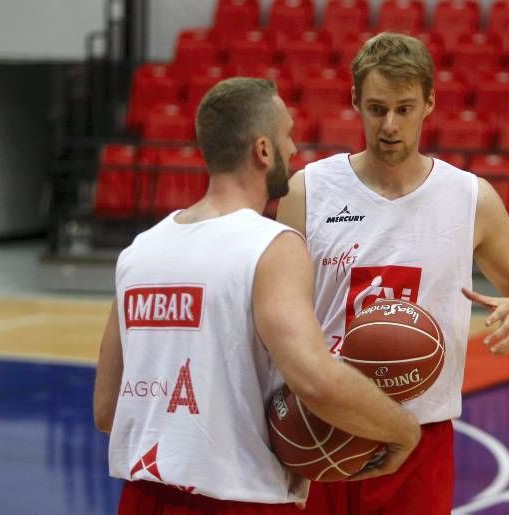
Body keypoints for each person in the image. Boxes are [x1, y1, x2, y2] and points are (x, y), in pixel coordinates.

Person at [93, 77, 421, 515]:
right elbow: (315, 380)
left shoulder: (139, 251)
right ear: (263, 150)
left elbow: (106, 410)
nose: (294, 149)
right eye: (286, 135)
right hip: (239, 501)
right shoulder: (272, 245)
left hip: (143, 498)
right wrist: (403, 430)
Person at [276, 33, 509, 514]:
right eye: (376, 108)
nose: (389, 125)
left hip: (420, 437)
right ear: (355, 102)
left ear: (429, 103)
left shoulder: (471, 199)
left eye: (404, 109)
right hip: (323, 427)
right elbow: (275, 313)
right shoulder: (309, 190)